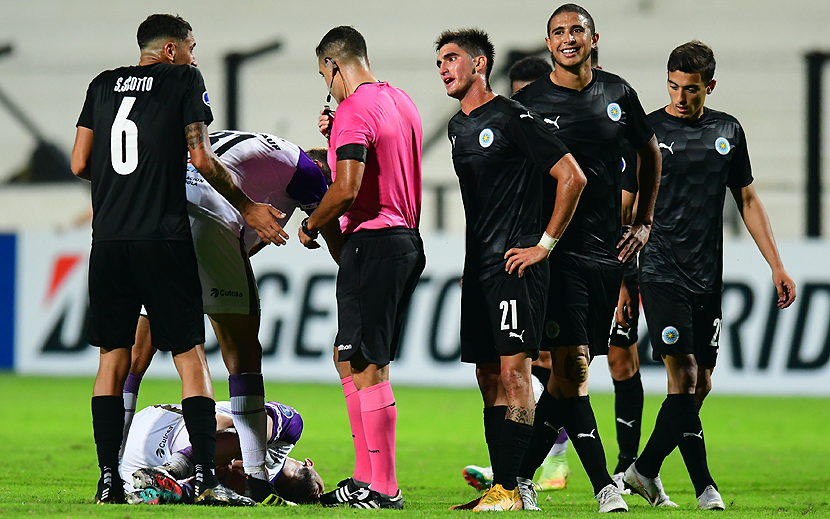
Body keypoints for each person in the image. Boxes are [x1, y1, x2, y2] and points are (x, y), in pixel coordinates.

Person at [70, 13, 282, 506]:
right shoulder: (184, 79)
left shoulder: (101, 84)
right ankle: (207, 479)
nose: (193, 55)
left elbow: (81, 162)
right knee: (190, 356)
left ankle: (108, 480)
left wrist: (121, 185)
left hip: (109, 242)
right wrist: (247, 206)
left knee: (112, 361)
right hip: (162, 239)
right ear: (170, 51)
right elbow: (204, 158)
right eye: (190, 46)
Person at [119, 132, 338, 504]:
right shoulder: (311, 172)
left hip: (152, 208)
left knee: (135, 356)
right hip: (206, 208)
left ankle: (109, 471)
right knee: (242, 355)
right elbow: (336, 230)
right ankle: (255, 481)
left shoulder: (260, 162)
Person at [623, 40, 796, 511]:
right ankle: (704, 488)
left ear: (710, 87)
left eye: (692, 90)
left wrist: (776, 264)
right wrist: (622, 278)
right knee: (685, 376)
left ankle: (646, 470)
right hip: (659, 271)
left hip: (707, 276)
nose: (681, 97)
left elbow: (748, 201)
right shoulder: (648, 131)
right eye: (674, 87)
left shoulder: (728, 131)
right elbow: (626, 206)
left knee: (700, 386)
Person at [512, 4, 661, 513]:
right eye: (557, 32)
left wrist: (643, 221)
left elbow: (650, 154)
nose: (567, 38)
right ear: (548, 43)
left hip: (608, 253)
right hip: (554, 254)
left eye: (576, 30)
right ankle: (605, 485)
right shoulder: (530, 102)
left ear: (595, 38)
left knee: (566, 378)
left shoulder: (619, 94)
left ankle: (519, 478)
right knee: (573, 368)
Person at [436, 28, 586, 511]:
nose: (444, 67)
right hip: (478, 267)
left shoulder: (512, 116)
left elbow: (572, 175)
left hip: (516, 265)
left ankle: (514, 487)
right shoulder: (459, 128)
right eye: (439, 60)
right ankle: (501, 488)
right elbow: (479, 205)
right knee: (486, 375)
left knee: (515, 374)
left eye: (453, 58)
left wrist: (544, 245)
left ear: (479, 64)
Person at [302, 26, 425, 510]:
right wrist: (334, 138)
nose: (326, 86)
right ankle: (363, 476)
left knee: (370, 365)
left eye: (323, 76)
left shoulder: (354, 109)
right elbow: (380, 166)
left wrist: (312, 224)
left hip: (374, 243)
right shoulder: (401, 101)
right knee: (349, 357)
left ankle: (385, 487)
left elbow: (348, 188)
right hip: (402, 242)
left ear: (334, 65)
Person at [121, 400, 323, 505]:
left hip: (133, 466)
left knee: (226, 488)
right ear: (309, 462)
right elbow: (228, 424)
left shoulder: (258, 495)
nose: (318, 496)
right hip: (165, 426)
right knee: (252, 436)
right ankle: (175, 468)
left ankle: (168, 491)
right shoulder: (287, 436)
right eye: (323, 490)